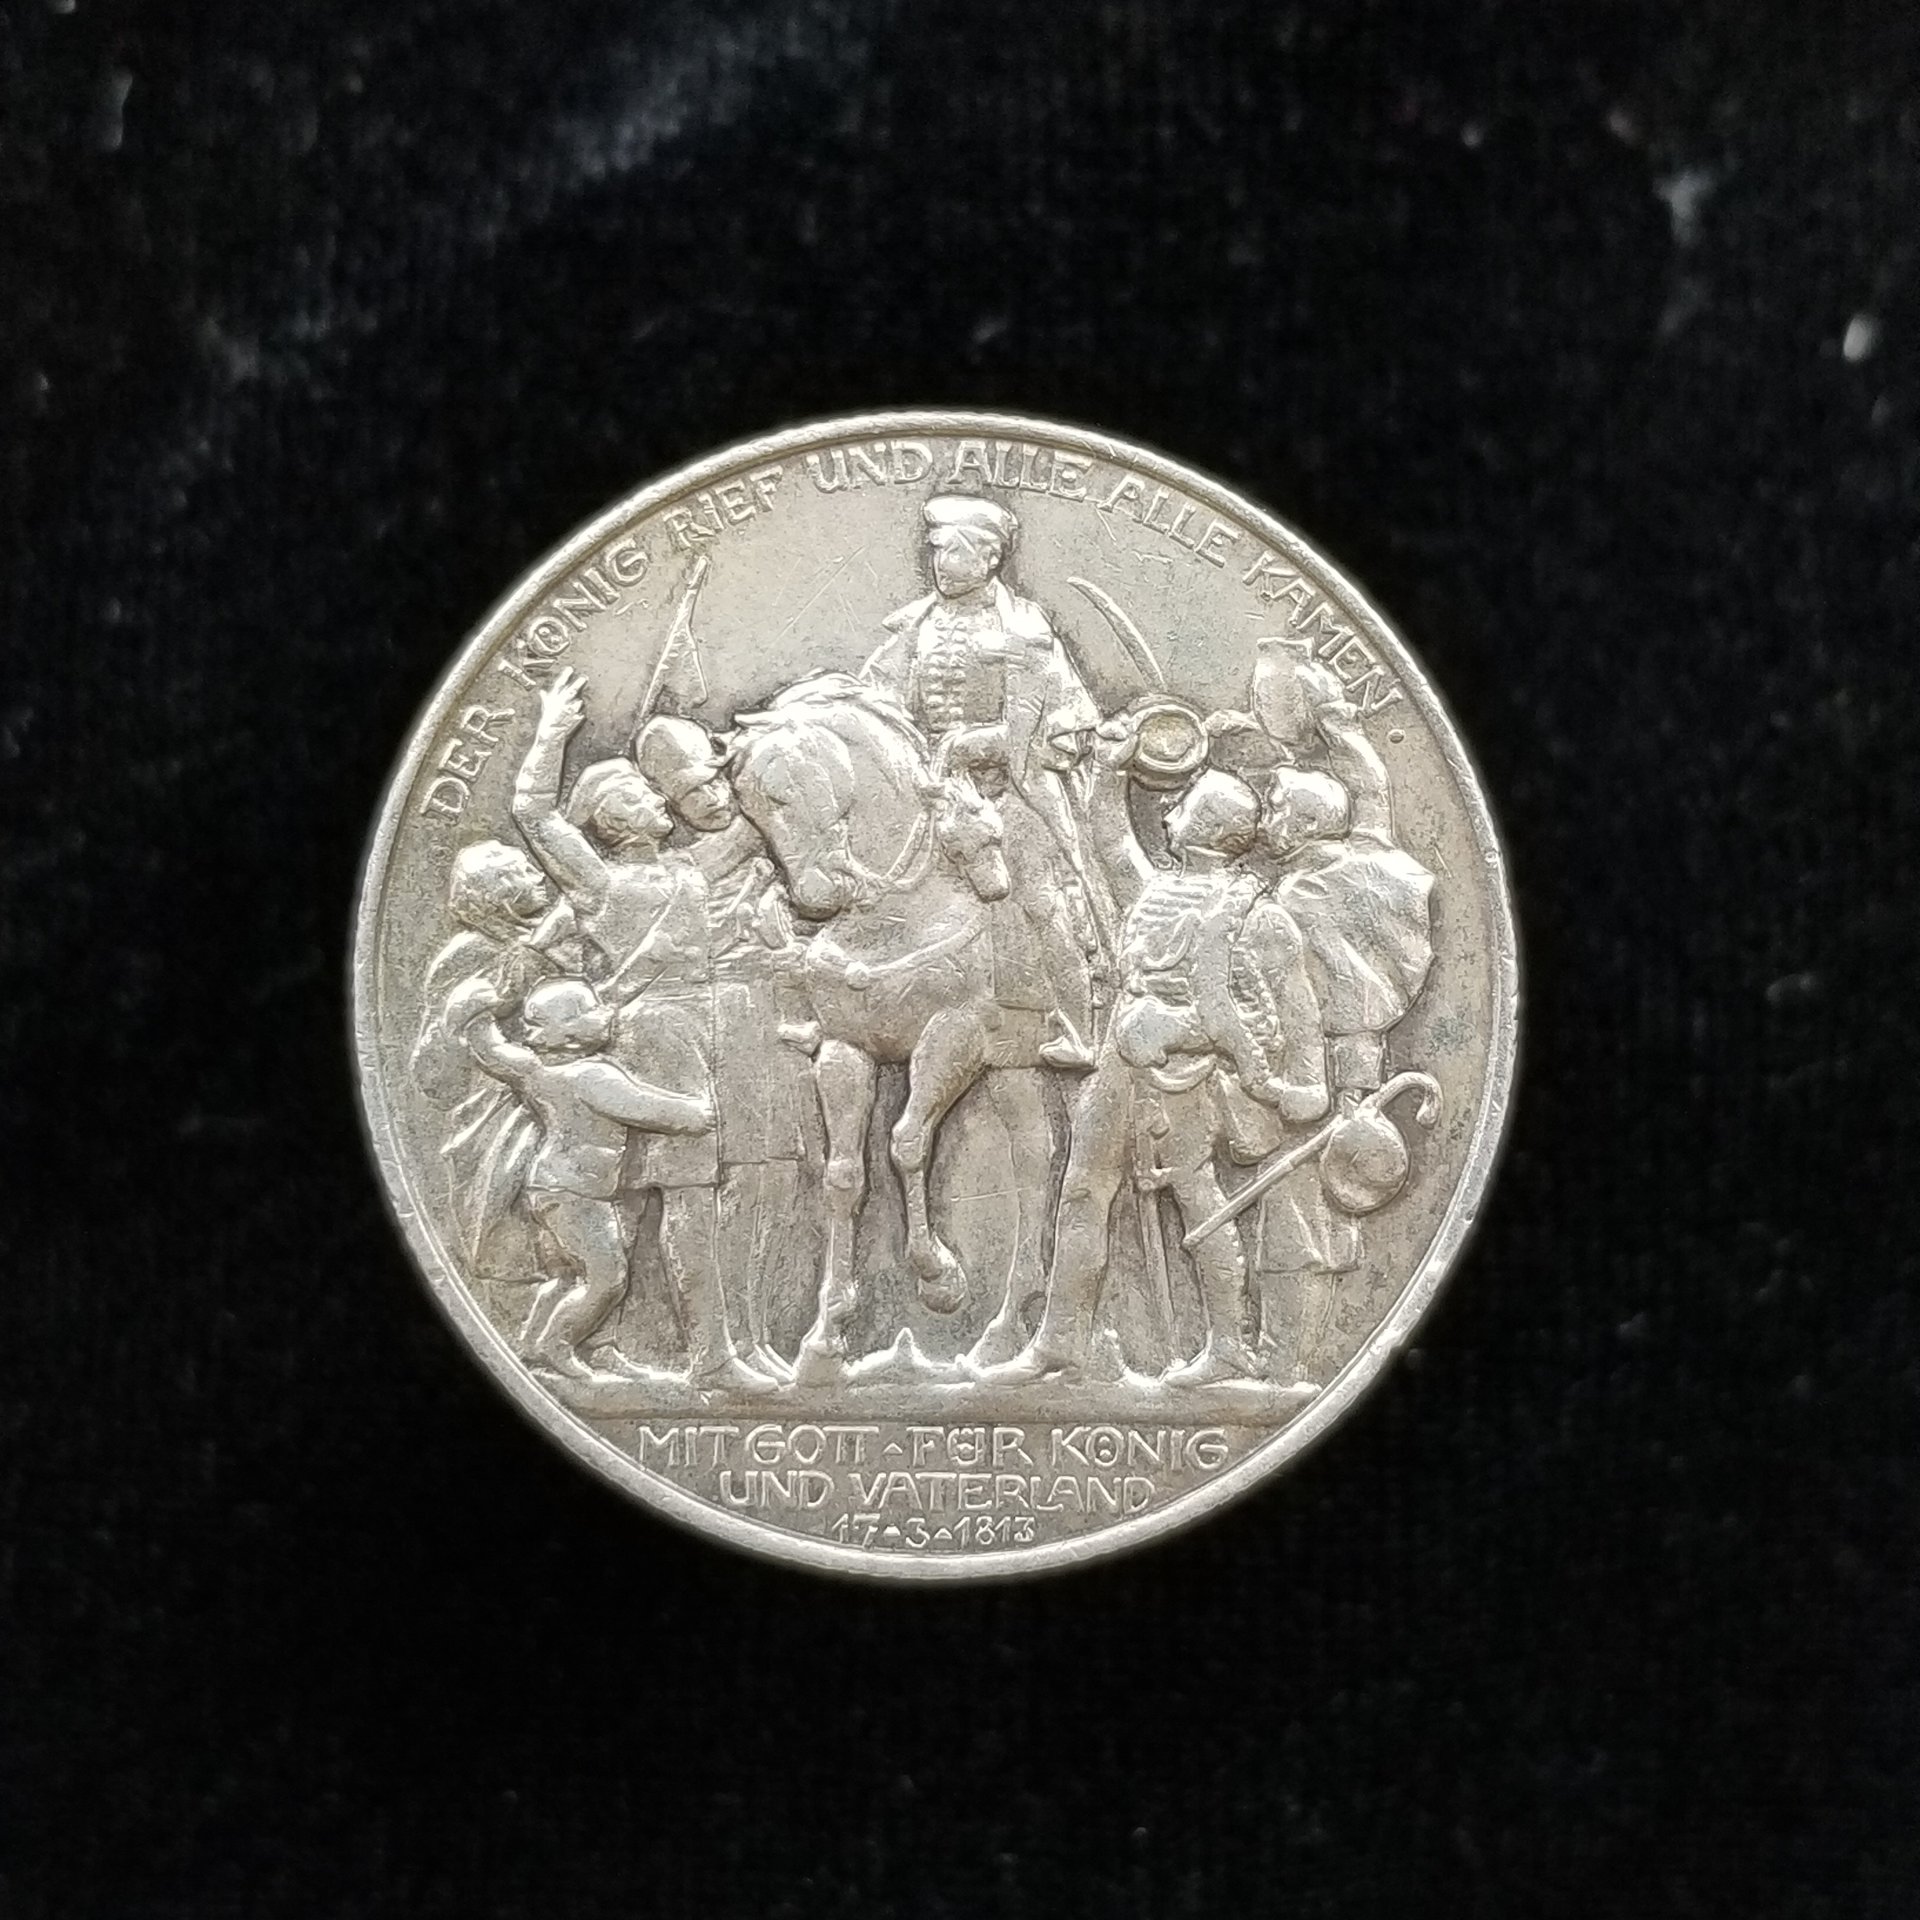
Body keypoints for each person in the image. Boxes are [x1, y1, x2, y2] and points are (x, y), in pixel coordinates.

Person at [982, 748, 1329, 1387]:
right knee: (1082, 1190)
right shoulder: (1153, 891)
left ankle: (1228, 1347)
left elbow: (1286, 1015)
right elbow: (1109, 841)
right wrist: (1112, 772)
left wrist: (1294, 1081)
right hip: (1121, 1066)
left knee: (1198, 1199)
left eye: (1184, 803)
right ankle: (1060, 1342)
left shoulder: (1260, 919)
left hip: (1188, 1076)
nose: (1168, 811)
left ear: (1210, 828)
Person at [512, 668, 774, 1394]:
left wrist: (736, 755)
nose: (657, 798)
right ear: (610, 824)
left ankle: (618, 1340)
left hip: (700, 1031)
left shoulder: (689, 869)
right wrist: (551, 733)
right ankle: (710, 1358)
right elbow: (533, 813)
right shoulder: (599, 885)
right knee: (682, 1196)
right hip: (650, 1039)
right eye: (636, 795)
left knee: (670, 1194)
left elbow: (754, 821)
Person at [860, 494, 1102, 1067]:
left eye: (954, 552)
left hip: (1009, 790)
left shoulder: (1026, 628)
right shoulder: (913, 626)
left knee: (1041, 902)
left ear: (990, 558)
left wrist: (984, 743)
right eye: (936, 552)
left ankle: (1079, 1029)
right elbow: (877, 703)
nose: (940, 564)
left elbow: (1061, 720)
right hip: (930, 789)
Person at [1254, 659, 1435, 1380]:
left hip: (1315, 1074)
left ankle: (1287, 1360)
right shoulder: (1375, 858)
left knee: (1296, 1215)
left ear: (1301, 825)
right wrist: (1335, 723)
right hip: (1353, 1073)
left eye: (1274, 809)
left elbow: (1306, 1006)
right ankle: (1290, 1354)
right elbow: (1372, 787)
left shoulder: (1299, 901)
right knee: (1313, 1212)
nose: (1263, 819)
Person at [630, 712, 818, 1378]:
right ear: (668, 806)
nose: (710, 799)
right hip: (719, 1023)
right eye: (690, 795)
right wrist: (766, 802)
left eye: (713, 782)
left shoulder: (767, 839)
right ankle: (720, 1345)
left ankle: (754, 1333)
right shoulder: (680, 868)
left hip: (778, 1016)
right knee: (732, 1182)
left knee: (775, 1181)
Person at [444, 975, 713, 1382]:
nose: (603, 1013)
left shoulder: (537, 1071)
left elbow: (495, 1054)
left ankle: (577, 1347)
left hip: (565, 1189)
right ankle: (557, 1345)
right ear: (563, 1032)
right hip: (572, 1191)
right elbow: (641, 1106)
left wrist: (477, 1019)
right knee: (607, 1277)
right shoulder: (591, 1078)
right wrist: (692, 1114)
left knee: (576, 1273)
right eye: (589, 1009)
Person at [409, 840, 581, 1293]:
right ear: (498, 893)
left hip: (558, 1084)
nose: (539, 876)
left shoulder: (547, 939)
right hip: (499, 1097)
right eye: (524, 871)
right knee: (509, 1178)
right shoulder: (468, 954)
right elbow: (449, 1041)